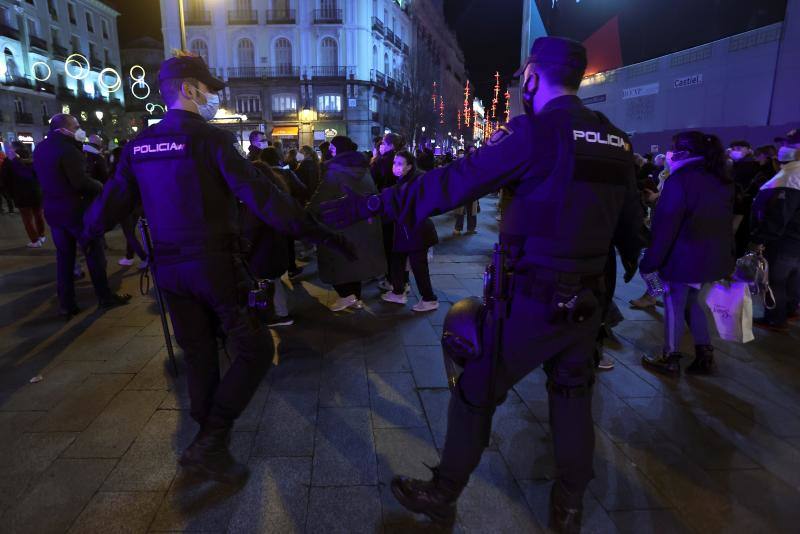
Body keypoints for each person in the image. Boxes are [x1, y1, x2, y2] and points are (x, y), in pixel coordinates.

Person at [320, 37, 644, 532]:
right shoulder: (616, 139)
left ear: (532, 77)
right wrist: (624, 262)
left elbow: (450, 183)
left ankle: (443, 493)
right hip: (589, 298)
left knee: (474, 389)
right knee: (572, 394)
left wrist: (366, 206)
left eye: (523, 81)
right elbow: (629, 224)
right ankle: (569, 505)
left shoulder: (534, 132)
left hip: (533, 296)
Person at [82, 54, 354, 484]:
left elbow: (108, 207)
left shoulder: (139, 146)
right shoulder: (210, 141)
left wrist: (82, 232)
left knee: (199, 353)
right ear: (188, 89)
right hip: (214, 265)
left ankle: (206, 441)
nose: (212, 97)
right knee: (256, 348)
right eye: (207, 89)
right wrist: (321, 233)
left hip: (169, 272)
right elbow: (263, 197)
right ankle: (211, 438)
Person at [640, 132, 734, 375]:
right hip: (711, 257)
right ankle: (705, 355)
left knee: (673, 304)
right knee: (693, 303)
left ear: (684, 153)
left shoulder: (679, 180)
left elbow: (666, 227)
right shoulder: (720, 179)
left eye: (673, 149)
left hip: (683, 256)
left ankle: (669, 356)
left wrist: (651, 262)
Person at [34, 114, 130, 318]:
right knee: (94, 256)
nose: (80, 129)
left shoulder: (42, 148)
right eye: (76, 126)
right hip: (77, 213)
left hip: (54, 211)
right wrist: (100, 186)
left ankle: (66, 304)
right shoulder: (69, 149)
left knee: (65, 259)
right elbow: (80, 182)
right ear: (64, 129)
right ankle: (104, 297)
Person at [309, 136, 385, 311]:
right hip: (363, 225)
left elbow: (318, 201)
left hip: (340, 224)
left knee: (336, 263)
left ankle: (346, 296)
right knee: (354, 264)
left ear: (340, 150)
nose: (331, 151)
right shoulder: (364, 169)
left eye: (334, 149)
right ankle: (355, 297)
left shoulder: (334, 171)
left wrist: (307, 214)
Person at [749, 128, 800, 331]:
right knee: (793, 279)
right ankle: (789, 310)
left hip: (785, 240)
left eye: (790, 145)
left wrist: (761, 238)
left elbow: (779, 215)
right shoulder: (790, 173)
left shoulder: (792, 177)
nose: (783, 149)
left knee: (776, 280)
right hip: (794, 240)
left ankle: (775, 318)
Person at [381, 150, 439, 312]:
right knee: (397, 261)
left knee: (418, 266)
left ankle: (429, 299)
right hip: (406, 231)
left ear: (409, 166)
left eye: (400, 164)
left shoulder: (416, 181)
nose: (396, 166)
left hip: (416, 232)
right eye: (394, 163)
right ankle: (398, 292)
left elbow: (404, 201)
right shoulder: (405, 180)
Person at [245, 160, 294, 326]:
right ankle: (281, 313)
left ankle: (277, 314)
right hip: (277, 247)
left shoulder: (257, 199)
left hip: (263, 248)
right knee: (274, 280)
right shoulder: (278, 193)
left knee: (267, 282)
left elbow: (252, 228)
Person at [260, 146, 308, 278]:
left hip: (265, 215)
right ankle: (291, 268)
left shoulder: (259, 173)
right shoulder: (286, 173)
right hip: (285, 213)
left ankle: (274, 272)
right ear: (278, 157)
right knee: (288, 242)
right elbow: (302, 189)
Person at [4, 141, 46, 247]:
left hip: (21, 194)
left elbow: (6, 179)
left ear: (13, 149)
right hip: (37, 191)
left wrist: (10, 194)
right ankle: (41, 236)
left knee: (27, 219)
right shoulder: (33, 158)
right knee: (38, 215)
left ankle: (35, 241)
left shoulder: (10, 161)